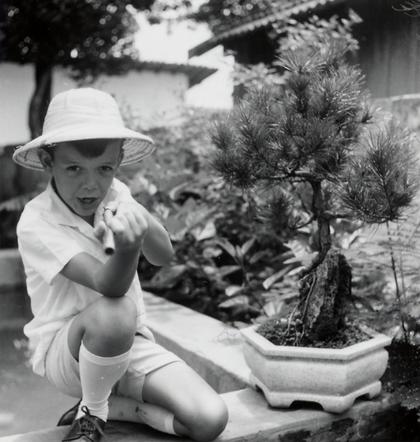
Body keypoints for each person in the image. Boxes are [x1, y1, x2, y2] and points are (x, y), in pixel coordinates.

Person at [14, 88, 228, 442]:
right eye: (73, 168)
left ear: (119, 161)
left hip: (128, 344)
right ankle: (93, 413)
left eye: (104, 169)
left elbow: (163, 256)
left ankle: (119, 408)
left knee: (210, 419)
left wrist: (139, 217)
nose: (91, 184)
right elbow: (108, 285)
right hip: (68, 355)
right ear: (48, 163)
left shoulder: (117, 193)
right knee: (116, 310)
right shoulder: (36, 221)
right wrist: (127, 249)